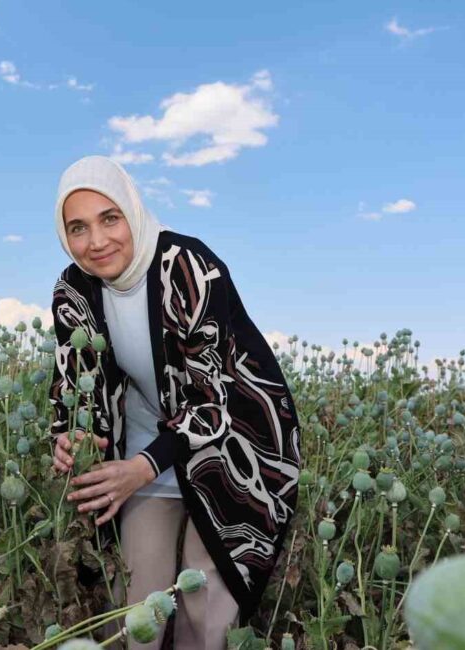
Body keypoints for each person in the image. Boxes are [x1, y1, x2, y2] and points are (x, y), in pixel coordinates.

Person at [49, 155, 302, 650]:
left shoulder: (187, 266)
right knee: (135, 615)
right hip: (146, 445)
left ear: (133, 213)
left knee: (202, 605)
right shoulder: (72, 289)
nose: (96, 242)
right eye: (78, 228)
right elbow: (74, 384)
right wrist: (74, 434)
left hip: (236, 447)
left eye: (109, 218)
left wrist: (143, 467)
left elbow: (213, 400)